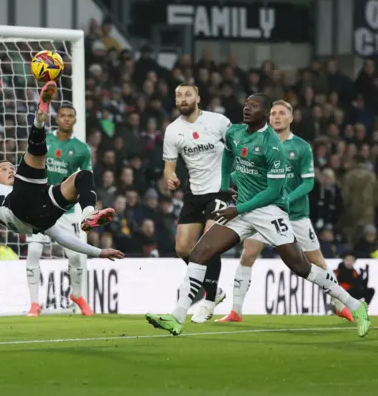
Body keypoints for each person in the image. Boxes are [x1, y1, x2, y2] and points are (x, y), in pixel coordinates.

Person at [146, 94, 371, 338]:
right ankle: (177, 317)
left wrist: (238, 209)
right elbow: (228, 155)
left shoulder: (272, 146)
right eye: (246, 105)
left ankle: (356, 306)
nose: (247, 108)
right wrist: (224, 186)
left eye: (254, 106)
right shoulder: (235, 132)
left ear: (264, 114)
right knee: (200, 253)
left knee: (301, 266)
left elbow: (274, 191)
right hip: (242, 208)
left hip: (269, 211)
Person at [0, 82, 122, 263]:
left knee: (83, 176)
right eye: (4, 169)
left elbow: (62, 237)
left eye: (12, 167)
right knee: (36, 154)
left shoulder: (18, 186)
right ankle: (39, 119)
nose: (10, 170)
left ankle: (88, 213)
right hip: (19, 206)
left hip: (40, 215)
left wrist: (98, 252)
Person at [217, 100, 353, 322]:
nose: (277, 117)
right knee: (248, 254)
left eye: (282, 113)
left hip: (296, 214)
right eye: (273, 113)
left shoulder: (301, 147)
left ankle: (340, 304)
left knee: (316, 260)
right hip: (263, 211)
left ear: (291, 118)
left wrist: (285, 199)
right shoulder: (257, 140)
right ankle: (236, 310)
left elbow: (308, 184)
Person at [161, 83, 232, 323]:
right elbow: (169, 168)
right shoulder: (172, 131)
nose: (182, 98)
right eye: (178, 95)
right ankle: (216, 290)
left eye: (187, 94)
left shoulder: (218, 122)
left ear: (198, 98)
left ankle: (209, 301)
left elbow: (238, 149)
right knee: (183, 248)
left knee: (208, 242)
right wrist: (170, 179)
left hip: (221, 190)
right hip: (195, 192)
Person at [25, 104, 94, 317]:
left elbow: (85, 180)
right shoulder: (44, 140)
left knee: (76, 256)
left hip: (65, 209)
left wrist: (88, 209)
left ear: (75, 120)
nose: (65, 119)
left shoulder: (81, 149)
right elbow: (27, 164)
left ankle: (78, 296)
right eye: (62, 115)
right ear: (57, 119)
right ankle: (35, 304)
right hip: (39, 204)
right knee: (34, 252)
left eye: (70, 116)